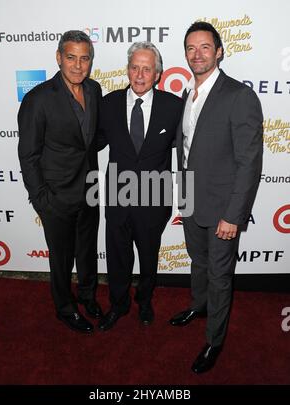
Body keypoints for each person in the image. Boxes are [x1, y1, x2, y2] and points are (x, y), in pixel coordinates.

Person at [169, 22, 263, 373]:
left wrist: (234, 215)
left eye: (205, 47)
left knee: (220, 275)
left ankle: (214, 340)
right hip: (192, 202)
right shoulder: (186, 95)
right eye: (191, 48)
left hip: (223, 209)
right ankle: (199, 304)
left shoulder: (239, 96)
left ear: (219, 51)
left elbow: (249, 163)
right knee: (198, 262)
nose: (197, 54)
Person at [18, 30, 103, 333]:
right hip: (56, 196)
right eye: (71, 58)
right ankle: (65, 308)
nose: (78, 66)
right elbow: (28, 155)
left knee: (88, 251)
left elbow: (90, 141)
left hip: (90, 189)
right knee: (62, 258)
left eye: (84, 58)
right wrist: (42, 199)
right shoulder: (37, 99)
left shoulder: (94, 89)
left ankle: (89, 297)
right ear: (58, 58)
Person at [97, 41, 183, 331]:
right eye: (135, 67)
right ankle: (118, 304)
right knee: (118, 256)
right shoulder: (107, 104)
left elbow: (187, 149)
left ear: (158, 74)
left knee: (149, 258)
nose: (140, 74)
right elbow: (91, 143)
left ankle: (144, 302)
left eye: (147, 69)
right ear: (127, 70)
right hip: (117, 197)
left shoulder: (174, 107)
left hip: (153, 200)